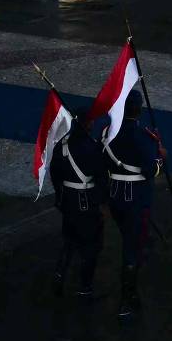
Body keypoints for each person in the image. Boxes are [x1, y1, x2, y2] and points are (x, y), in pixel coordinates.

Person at [98, 99, 164, 317]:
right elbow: (149, 171)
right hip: (136, 197)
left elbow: (104, 161)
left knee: (130, 238)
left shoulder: (108, 132)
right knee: (132, 246)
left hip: (115, 194)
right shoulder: (143, 137)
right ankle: (128, 298)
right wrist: (160, 161)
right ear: (139, 111)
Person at [48, 111, 108, 299]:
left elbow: (55, 173)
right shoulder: (93, 148)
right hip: (87, 203)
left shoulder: (62, 147)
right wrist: (101, 201)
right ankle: (85, 287)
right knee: (90, 246)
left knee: (69, 241)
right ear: (89, 124)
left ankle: (59, 276)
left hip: (68, 202)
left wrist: (61, 196)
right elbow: (101, 178)